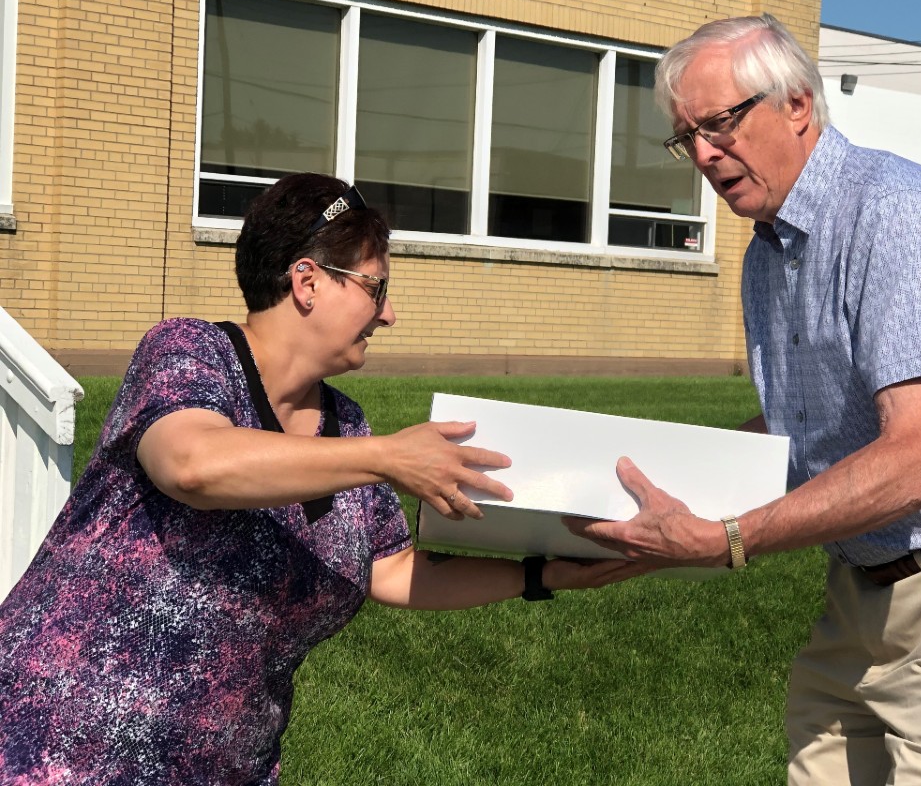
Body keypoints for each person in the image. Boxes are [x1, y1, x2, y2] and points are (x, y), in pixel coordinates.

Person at [566, 15, 921, 785]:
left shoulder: (896, 211)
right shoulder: (766, 252)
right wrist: (653, 491)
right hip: (861, 590)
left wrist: (729, 538)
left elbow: (918, 462)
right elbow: (795, 431)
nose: (705, 155)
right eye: (688, 137)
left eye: (720, 124)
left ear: (798, 104)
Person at [0, 173, 645, 784]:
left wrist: (542, 574)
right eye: (376, 288)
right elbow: (191, 464)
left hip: (220, 767)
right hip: (57, 743)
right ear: (307, 281)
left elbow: (387, 570)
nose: (388, 315)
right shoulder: (190, 352)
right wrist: (387, 459)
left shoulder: (348, 426)